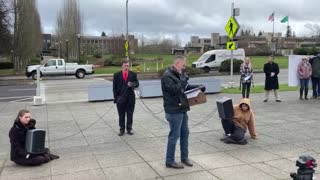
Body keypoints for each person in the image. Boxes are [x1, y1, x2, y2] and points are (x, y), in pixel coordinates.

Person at [161, 55, 205, 169]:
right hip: (173, 111)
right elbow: (174, 90)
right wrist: (183, 79)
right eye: (183, 65)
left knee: (185, 134)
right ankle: (169, 161)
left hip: (182, 109)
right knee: (174, 136)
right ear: (177, 64)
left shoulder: (179, 75)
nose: (184, 67)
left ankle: (184, 157)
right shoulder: (167, 76)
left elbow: (185, 87)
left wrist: (198, 87)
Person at [113, 60, 139, 136]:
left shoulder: (133, 74)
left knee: (130, 114)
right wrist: (116, 98)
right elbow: (114, 88)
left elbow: (137, 83)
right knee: (121, 115)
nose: (126, 67)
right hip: (120, 98)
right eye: (125, 65)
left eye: (127, 66)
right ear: (122, 66)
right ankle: (122, 129)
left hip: (130, 98)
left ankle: (129, 129)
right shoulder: (117, 75)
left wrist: (132, 84)